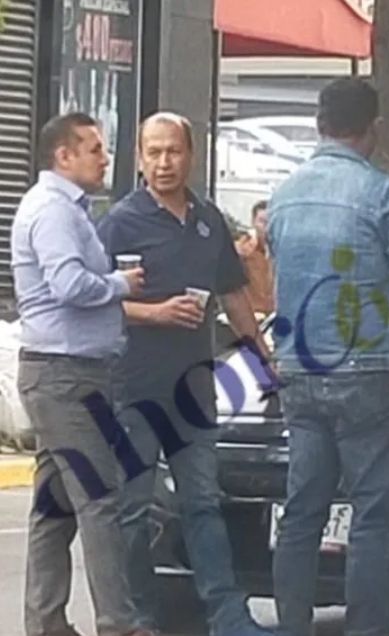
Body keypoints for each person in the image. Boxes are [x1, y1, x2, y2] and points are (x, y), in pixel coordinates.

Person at [268, 78, 389, 636]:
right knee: (373, 518)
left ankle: (292, 625)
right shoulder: (384, 194)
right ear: (374, 129)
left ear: (320, 124)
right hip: (367, 375)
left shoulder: (284, 195)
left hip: (298, 370)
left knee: (301, 512)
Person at [97, 112, 273, 636]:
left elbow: (233, 295)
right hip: (135, 390)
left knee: (203, 504)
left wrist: (262, 356)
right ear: (139, 158)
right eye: (153, 152)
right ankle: (137, 617)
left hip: (195, 390)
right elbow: (89, 301)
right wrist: (153, 313)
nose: (163, 162)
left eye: (173, 151)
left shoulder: (209, 219)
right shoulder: (120, 222)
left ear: (191, 156)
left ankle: (226, 615)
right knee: (132, 511)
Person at [12, 113, 151, 636]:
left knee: (55, 507)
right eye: (94, 148)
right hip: (65, 375)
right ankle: (119, 623)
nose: (105, 158)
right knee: (99, 500)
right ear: (63, 155)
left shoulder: (68, 209)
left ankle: (46, 620)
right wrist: (120, 284)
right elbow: (69, 285)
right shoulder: (53, 211)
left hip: (68, 372)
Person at [235, 200, 274, 315]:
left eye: (270, 222)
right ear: (253, 222)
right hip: (252, 315)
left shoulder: (282, 250)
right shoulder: (245, 248)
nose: (266, 227)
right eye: (262, 221)